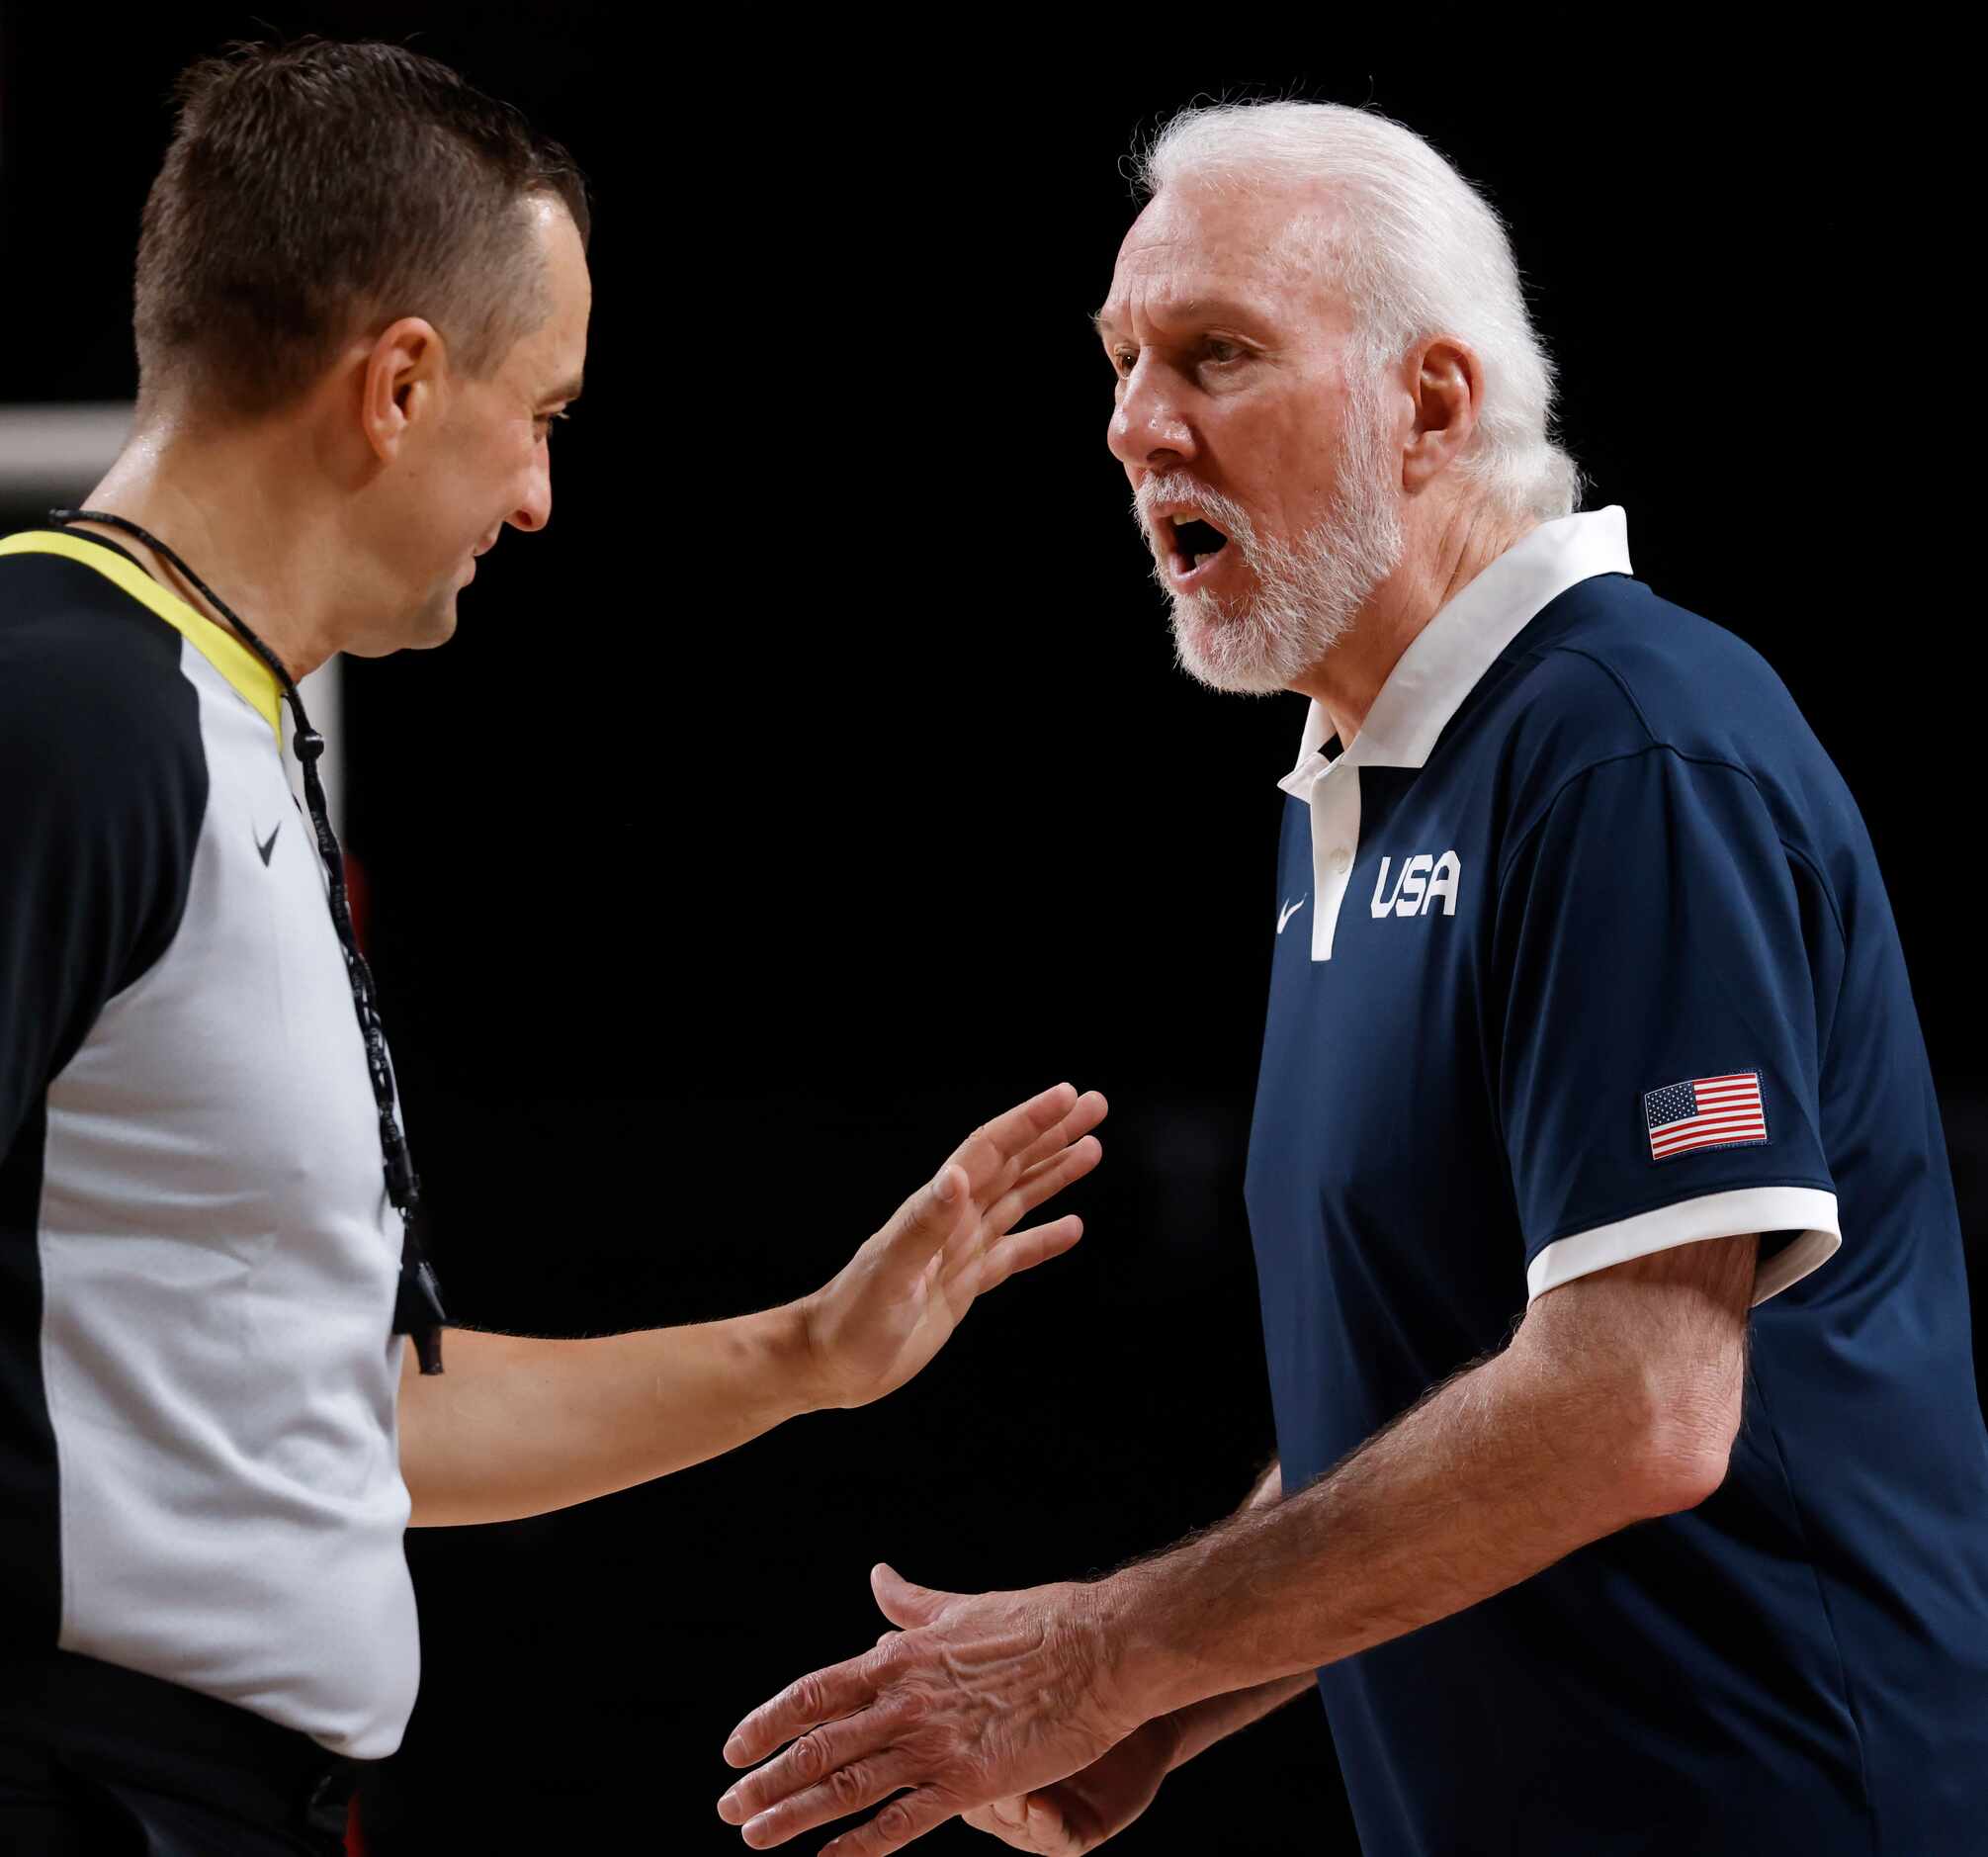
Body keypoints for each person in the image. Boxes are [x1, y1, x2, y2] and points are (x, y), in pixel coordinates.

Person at [717, 100, 1988, 1857]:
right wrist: (1165, 1700)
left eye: (1216, 355)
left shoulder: (1627, 752)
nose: (1136, 426)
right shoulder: (1373, 786)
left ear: (1435, 404)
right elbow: (1432, 1389)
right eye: (1120, 361)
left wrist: (1100, 1651)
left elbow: (1635, 1402)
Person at [0, 39, 1105, 1855]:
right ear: (402, 385)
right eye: (547, 414)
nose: (536, 497)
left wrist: (810, 1350)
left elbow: (331, 1414)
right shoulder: (67, 718)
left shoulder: (218, 719)